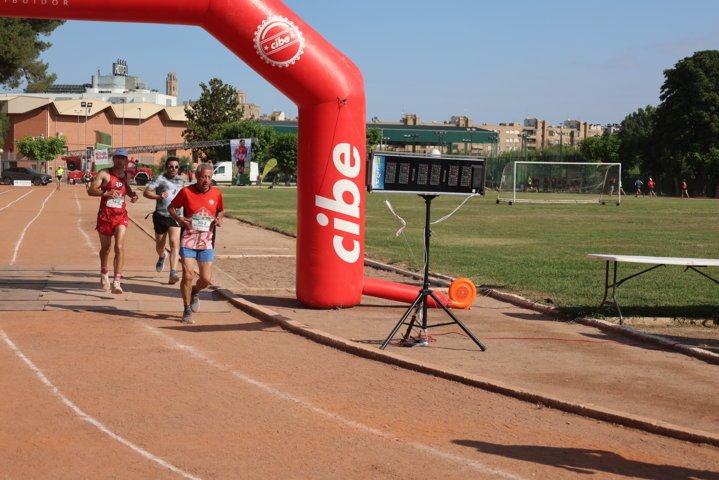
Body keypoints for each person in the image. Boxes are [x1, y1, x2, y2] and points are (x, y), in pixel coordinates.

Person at [168, 163, 224, 324]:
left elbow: (221, 210)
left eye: (209, 177)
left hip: (206, 241)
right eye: (203, 177)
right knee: (188, 275)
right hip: (188, 239)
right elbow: (171, 208)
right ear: (196, 176)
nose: (206, 180)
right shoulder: (186, 192)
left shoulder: (216, 193)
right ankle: (186, 309)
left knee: (205, 279)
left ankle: (195, 291)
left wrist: (219, 218)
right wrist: (180, 219)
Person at [87, 148, 139, 294]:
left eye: (123, 158)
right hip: (105, 216)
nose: (119, 161)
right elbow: (91, 190)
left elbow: (126, 187)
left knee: (119, 247)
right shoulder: (104, 173)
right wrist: (106, 192)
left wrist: (133, 195)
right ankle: (104, 274)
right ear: (113, 159)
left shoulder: (127, 175)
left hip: (121, 216)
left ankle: (117, 281)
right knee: (106, 249)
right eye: (117, 157)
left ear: (126, 161)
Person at [143, 157, 185, 284]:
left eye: (176, 167)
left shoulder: (181, 181)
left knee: (174, 243)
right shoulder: (160, 179)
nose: (173, 169)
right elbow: (146, 192)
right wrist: (158, 196)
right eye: (171, 166)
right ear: (166, 167)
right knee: (159, 246)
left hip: (175, 216)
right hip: (160, 215)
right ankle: (162, 256)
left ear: (178, 168)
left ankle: (173, 273)